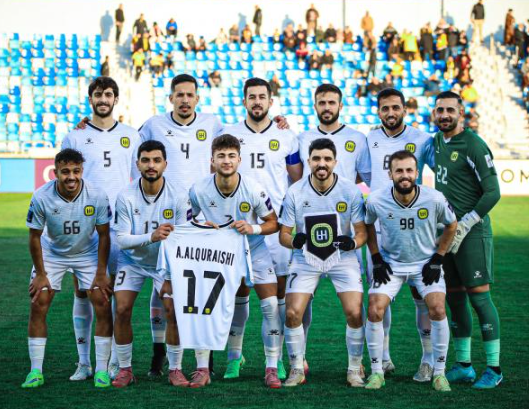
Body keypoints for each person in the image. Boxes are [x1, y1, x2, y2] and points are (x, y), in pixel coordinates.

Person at [222, 78, 302, 381]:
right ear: (244, 101)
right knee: (239, 294)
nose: (257, 101)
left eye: (262, 97)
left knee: (276, 298)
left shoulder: (286, 136)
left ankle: (276, 360)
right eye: (252, 97)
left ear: (271, 101)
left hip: (275, 227)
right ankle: (234, 357)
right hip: (239, 228)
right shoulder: (230, 134)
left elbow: (297, 180)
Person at [61, 77, 142, 380]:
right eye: (98, 94)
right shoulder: (75, 136)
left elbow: (137, 182)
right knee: (83, 291)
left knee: (118, 294)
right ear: (90, 99)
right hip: (86, 226)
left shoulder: (131, 135)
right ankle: (84, 363)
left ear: (116, 99)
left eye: (108, 94)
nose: (103, 99)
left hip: (120, 225)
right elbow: (67, 182)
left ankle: (113, 362)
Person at [190, 134, 282, 388]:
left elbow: (273, 223)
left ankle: (272, 367)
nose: (226, 161)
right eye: (221, 156)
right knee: (205, 307)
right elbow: (186, 221)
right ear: (212, 160)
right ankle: (204, 368)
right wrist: (200, 226)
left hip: (254, 250)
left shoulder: (253, 188)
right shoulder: (198, 189)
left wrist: (252, 228)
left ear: (239, 159)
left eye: (231, 156)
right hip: (218, 254)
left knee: (270, 306)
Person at [363, 150, 457, 391]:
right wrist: (376, 258)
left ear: (417, 173)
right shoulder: (376, 199)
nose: (404, 175)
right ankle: (376, 372)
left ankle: (438, 372)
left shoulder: (434, 198)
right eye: (399, 171)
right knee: (374, 309)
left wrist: (438, 257)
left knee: (437, 308)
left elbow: (452, 224)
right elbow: (368, 224)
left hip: (425, 264)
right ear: (390, 174)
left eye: (409, 170)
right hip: (391, 265)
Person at [279, 137, 367, 387]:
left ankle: (354, 369)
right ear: (308, 161)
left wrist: (353, 243)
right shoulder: (295, 191)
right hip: (306, 258)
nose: (322, 163)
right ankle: (297, 368)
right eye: (316, 158)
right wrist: (295, 241)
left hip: (342, 257)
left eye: (327, 159)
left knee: (354, 312)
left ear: (335, 162)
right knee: (292, 312)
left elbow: (362, 233)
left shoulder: (350, 190)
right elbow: (283, 235)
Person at [21, 149, 113, 389]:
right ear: (55, 172)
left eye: (76, 171)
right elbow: (34, 237)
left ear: (82, 171)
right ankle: (35, 371)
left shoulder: (97, 194)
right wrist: (41, 274)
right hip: (53, 253)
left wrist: (101, 272)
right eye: (65, 172)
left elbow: (104, 235)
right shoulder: (41, 196)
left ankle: (101, 370)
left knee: (102, 301)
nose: (71, 177)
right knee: (39, 302)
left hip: (87, 252)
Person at [432, 91, 502, 389]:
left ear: (461, 113)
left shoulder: (473, 144)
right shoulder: (437, 141)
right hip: (447, 233)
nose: (444, 115)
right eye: (440, 110)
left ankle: (494, 369)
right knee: (455, 297)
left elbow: (493, 192)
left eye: (450, 110)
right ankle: (464, 365)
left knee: (479, 297)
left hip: (471, 233)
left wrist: (466, 223)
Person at [366, 88, 436, 382]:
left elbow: (442, 170)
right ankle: (383, 358)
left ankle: (428, 360)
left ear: (404, 109)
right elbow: (360, 174)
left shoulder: (422, 139)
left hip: (417, 232)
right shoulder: (369, 139)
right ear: (378, 111)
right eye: (385, 108)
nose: (391, 113)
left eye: (395, 107)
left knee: (423, 297)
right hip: (380, 231)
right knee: (381, 298)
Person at [111, 140, 191, 388]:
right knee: (121, 309)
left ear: (165, 164)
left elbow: (183, 238)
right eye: (145, 160)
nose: (151, 165)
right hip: (132, 261)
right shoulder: (125, 195)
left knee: (173, 310)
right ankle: (125, 369)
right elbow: (122, 240)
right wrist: (152, 236)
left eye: (156, 160)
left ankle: (175, 369)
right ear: (137, 164)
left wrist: (169, 274)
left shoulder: (179, 195)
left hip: (164, 263)